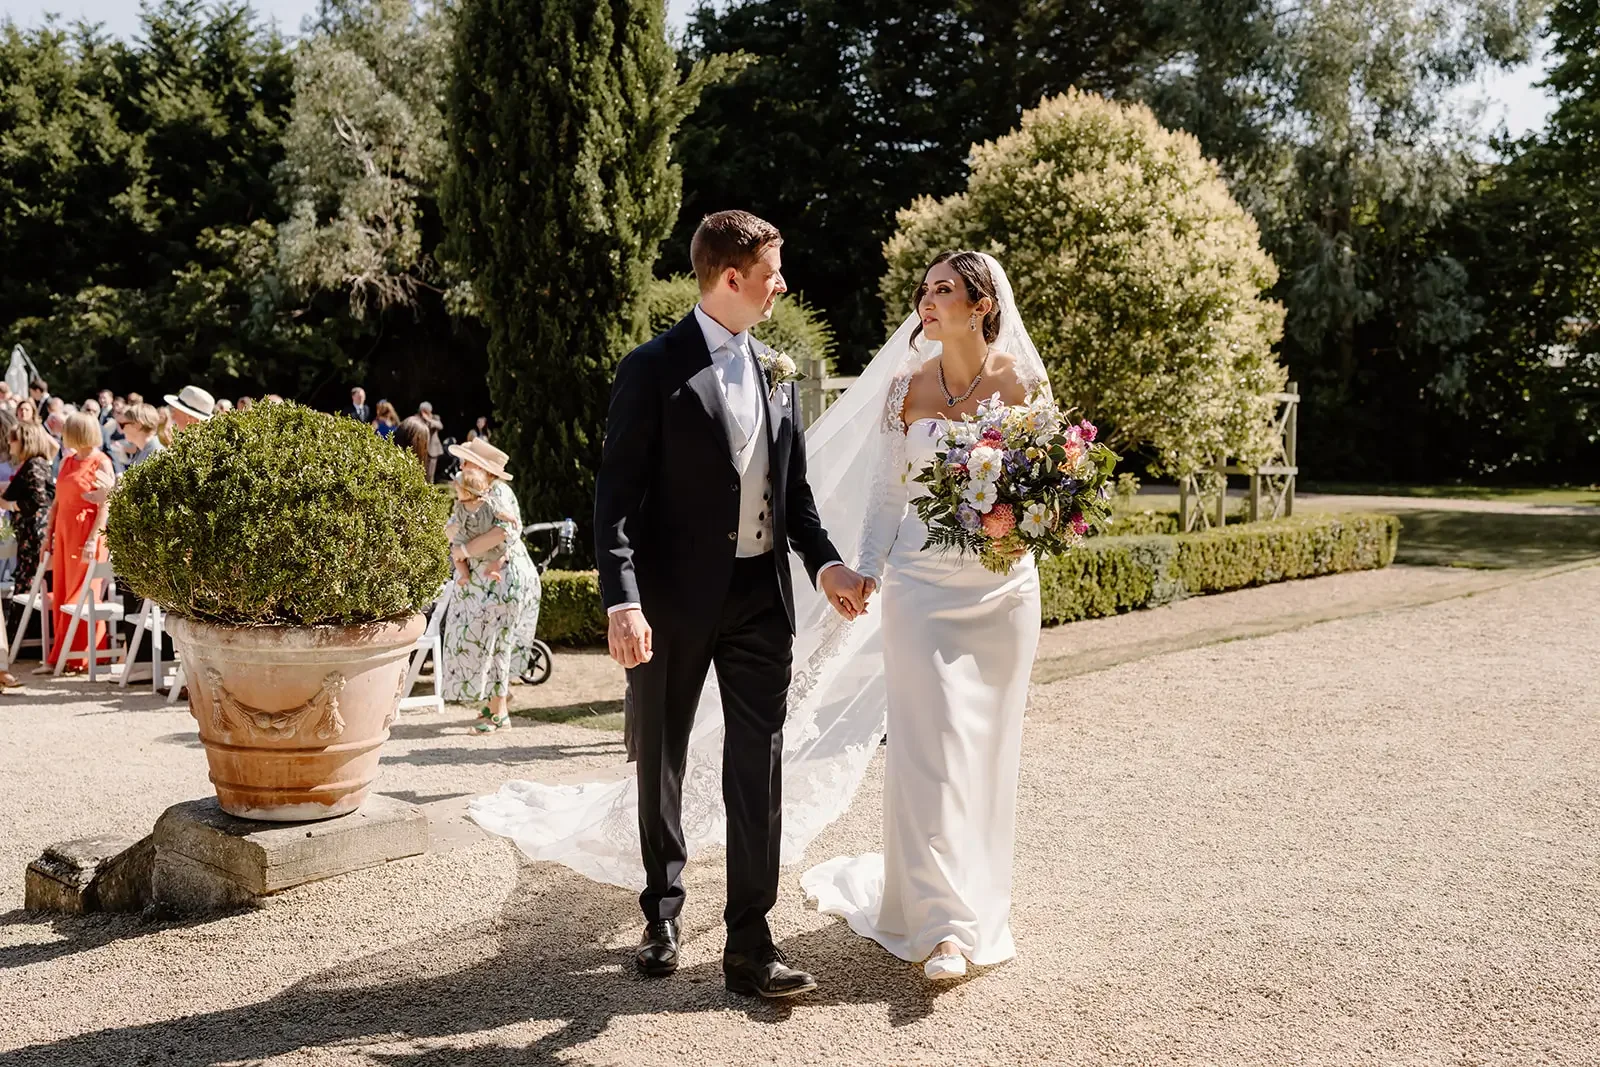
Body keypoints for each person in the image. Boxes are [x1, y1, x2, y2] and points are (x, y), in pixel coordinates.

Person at [470, 210, 870, 1000]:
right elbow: (614, 499)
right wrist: (622, 601)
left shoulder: (778, 371)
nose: (782, 283)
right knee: (663, 755)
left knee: (758, 766)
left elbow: (794, 498)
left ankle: (752, 943)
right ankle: (662, 908)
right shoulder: (652, 368)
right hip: (669, 603)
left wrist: (823, 564)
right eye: (773, 271)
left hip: (761, 598)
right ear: (731, 277)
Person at [438, 440, 540, 733]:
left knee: (497, 641)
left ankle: (499, 711)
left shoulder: (497, 492)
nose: (461, 467)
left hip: (503, 577)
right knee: (484, 639)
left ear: (481, 468)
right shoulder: (471, 493)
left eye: (467, 462)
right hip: (485, 580)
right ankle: (495, 703)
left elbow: (505, 530)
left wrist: (465, 551)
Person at [41, 413, 113, 674]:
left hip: (87, 533)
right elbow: (57, 502)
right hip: (64, 532)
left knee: (82, 593)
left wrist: (94, 539)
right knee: (62, 592)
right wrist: (47, 536)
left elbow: (106, 506)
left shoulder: (102, 462)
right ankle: (63, 654)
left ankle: (83, 657)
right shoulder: (67, 461)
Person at [0, 422, 54, 686]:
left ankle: (26, 643)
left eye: (13, 440)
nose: (10, 444)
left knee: (28, 585)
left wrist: (9, 503)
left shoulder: (35, 465)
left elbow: (39, 501)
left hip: (33, 537)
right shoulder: (36, 464)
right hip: (29, 535)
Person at [417, 402, 444, 482]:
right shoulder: (418, 419)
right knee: (421, 472)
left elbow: (440, 426)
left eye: (425, 411)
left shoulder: (435, 418)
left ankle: (430, 490)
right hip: (421, 449)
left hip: (433, 450)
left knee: (430, 474)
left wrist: (428, 419)